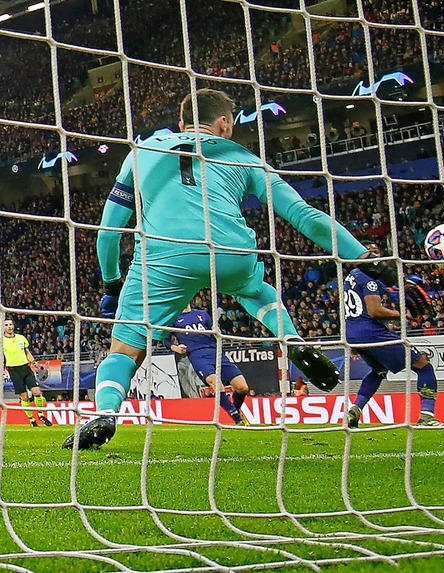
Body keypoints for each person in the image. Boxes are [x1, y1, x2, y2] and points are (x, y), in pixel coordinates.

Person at [63, 88, 388, 449]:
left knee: (123, 351)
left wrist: (111, 284)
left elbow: (108, 234)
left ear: (182, 124)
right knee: (257, 290)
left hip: (164, 257)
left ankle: (106, 413)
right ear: (225, 124)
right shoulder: (243, 156)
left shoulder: (140, 154)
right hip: (229, 250)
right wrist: (364, 257)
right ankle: (292, 340)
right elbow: (304, 216)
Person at [344, 243, 443, 428]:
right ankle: (427, 416)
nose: (375, 255)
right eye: (370, 252)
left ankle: (355, 410)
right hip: (371, 332)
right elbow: (374, 311)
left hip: (352, 332)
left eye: (376, 252)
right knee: (423, 365)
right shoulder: (368, 277)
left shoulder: (351, 276)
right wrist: (402, 314)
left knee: (379, 370)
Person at [165, 304, 249, 425]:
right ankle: (237, 420)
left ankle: (236, 410)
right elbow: (165, 339)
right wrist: (175, 348)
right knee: (215, 383)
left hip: (216, 353)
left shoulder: (202, 314)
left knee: (243, 388)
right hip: (198, 356)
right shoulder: (173, 318)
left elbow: (214, 333)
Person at [2, 318, 52, 427]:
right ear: (3, 327)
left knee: (37, 392)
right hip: (13, 370)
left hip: (26, 367)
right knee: (24, 397)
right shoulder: (2, 340)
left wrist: (34, 362)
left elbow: (27, 352)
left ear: (13, 326)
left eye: (11, 324)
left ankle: (40, 415)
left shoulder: (21, 338)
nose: (9, 327)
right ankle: (32, 420)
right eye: (6, 325)